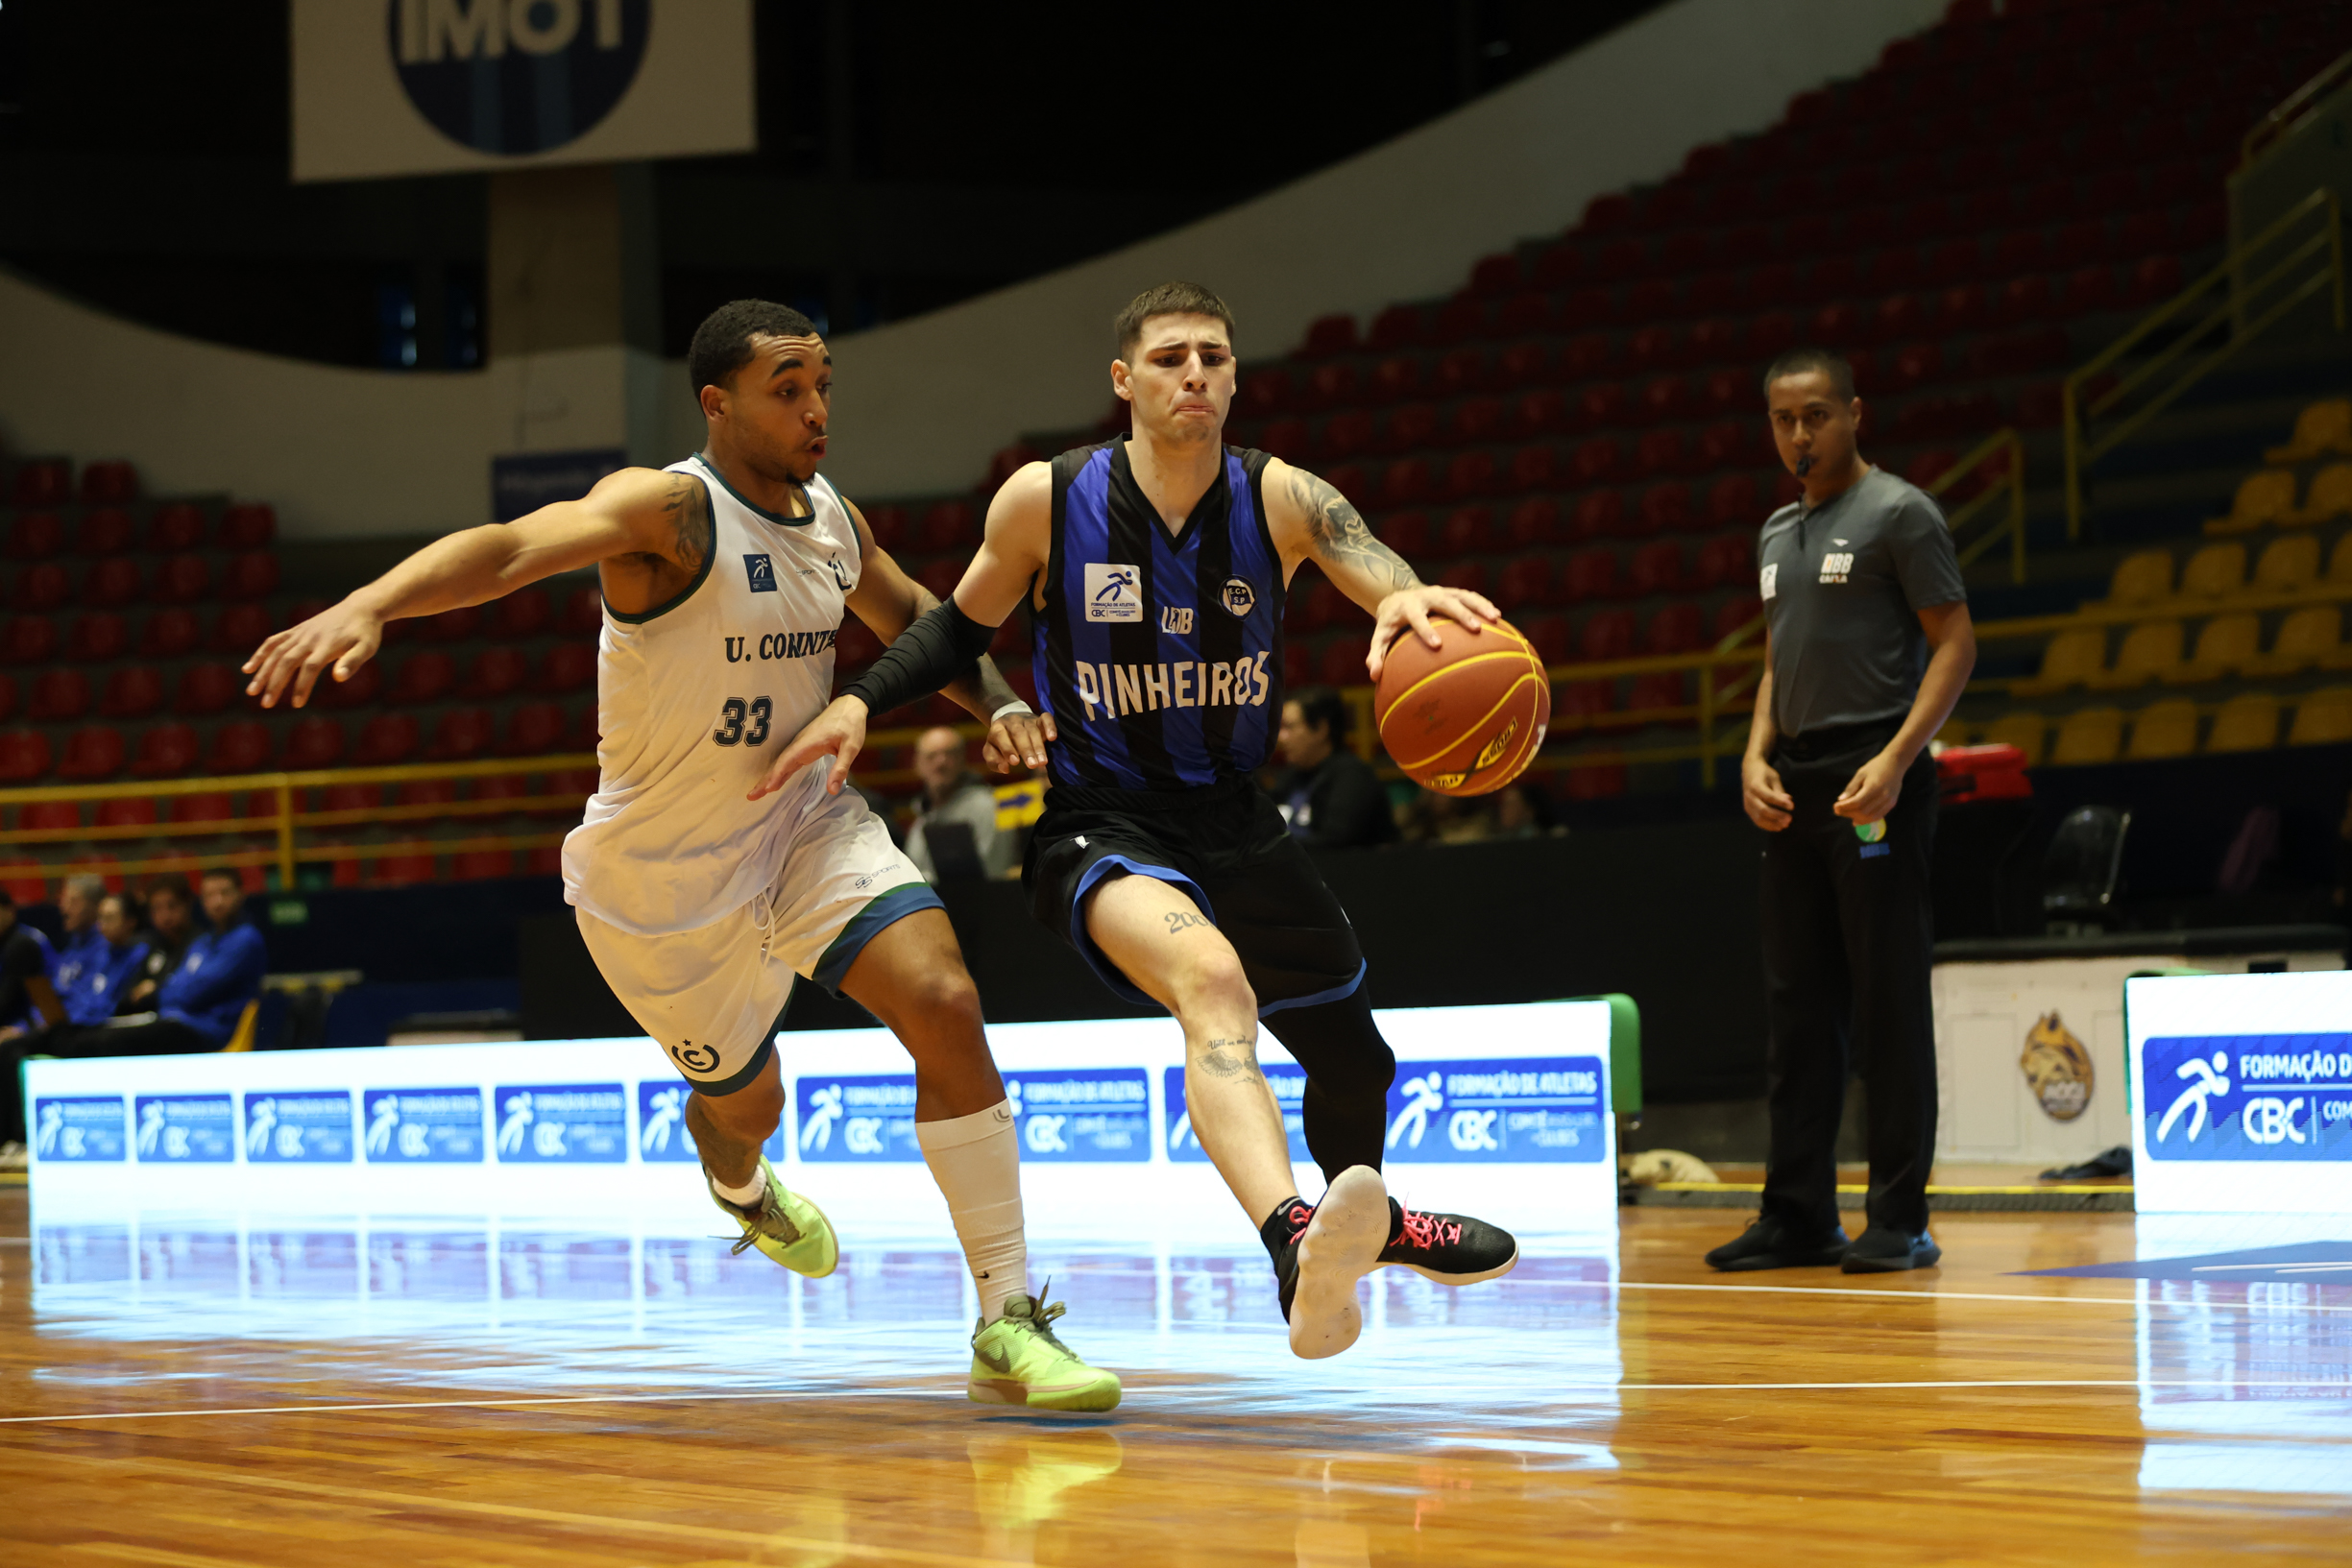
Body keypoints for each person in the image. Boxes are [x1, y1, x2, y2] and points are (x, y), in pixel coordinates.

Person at [243, 299, 1118, 1411]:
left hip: (802, 826)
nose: (816, 409)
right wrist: (371, 604)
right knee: (751, 1107)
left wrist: (1000, 702)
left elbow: (922, 619)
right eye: (786, 389)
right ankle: (739, 1182)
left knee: (943, 998)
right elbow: (512, 548)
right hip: (660, 881)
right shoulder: (668, 511)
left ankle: (1005, 1315)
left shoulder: (831, 519)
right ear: (718, 403)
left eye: (823, 385)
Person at [768, 281, 1521, 1362]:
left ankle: (1356, 1237)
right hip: (1103, 823)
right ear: (1124, 380)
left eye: (1213, 356)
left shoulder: (1280, 496)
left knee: (1357, 1063)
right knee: (1211, 982)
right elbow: (952, 632)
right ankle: (1293, 1238)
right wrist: (856, 701)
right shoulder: (1047, 498)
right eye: (1170, 358)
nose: (1195, 374)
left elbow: (1368, 563)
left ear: (1235, 377)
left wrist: (1401, 595)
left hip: (1237, 819)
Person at [1709, 347, 1976, 1276]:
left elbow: (1955, 644)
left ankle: (1900, 1217)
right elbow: (1778, 659)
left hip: (1875, 777)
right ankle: (1797, 1215)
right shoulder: (1775, 530)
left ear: (1854, 414)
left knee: (1887, 1000)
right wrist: (1754, 754)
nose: (1799, 433)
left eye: (1816, 415)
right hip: (1795, 784)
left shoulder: (1900, 512)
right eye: (1784, 418)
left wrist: (1897, 759)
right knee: (1797, 1006)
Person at [97, 868, 266, 1052]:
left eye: (224, 893)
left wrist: (159, 994)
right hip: (181, 1022)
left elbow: (197, 991)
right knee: (106, 1035)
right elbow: (177, 982)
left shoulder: (246, 939)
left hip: (216, 1032)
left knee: (112, 1041)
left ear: (241, 894)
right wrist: (168, 993)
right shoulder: (203, 942)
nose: (217, 902)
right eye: (209, 895)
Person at [1273, 688, 1396, 850]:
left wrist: (1271, 849)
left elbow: (1335, 843)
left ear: (1321, 729)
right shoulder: (1289, 777)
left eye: (1289, 727)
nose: (1281, 737)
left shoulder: (1353, 777)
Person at [0, 886, 65, 1170]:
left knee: (8, 1052)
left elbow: (38, 996)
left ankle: (17, 1138)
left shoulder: (24, 943)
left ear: (9, 911)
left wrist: (21, 1028)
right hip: (18, 1023)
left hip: (40, 1023)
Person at [904, 725, 1017, 881]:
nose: (941, 762)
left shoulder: (990, 806)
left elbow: (992, 871)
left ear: (963, 759)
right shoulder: (923, 814)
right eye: (931, 756)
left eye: (949, 754)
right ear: (917, 764)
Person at [56, 891, 149, 1026]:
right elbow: (83, 995)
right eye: (100, 918)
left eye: (109, 918)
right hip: (84, 1024)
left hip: (114, 1026)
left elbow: (118, 1003)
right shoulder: (99, 954)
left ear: (130, 922)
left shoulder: (140, 955)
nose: (102, 925)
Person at [119, 874, 195, 1014]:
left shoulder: (200, 944)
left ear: (187, 905)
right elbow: (129, 992)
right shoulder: (150, 945)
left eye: (172, 906)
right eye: (157, 908)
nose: (165, 916)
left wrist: (156, 988)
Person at [47, 874, 107, 1008]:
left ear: (96, 906)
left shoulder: (105, 950)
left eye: (73, 902)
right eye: (63, 901)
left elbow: (89, 1005)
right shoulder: (70, 949)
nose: (64, 909)